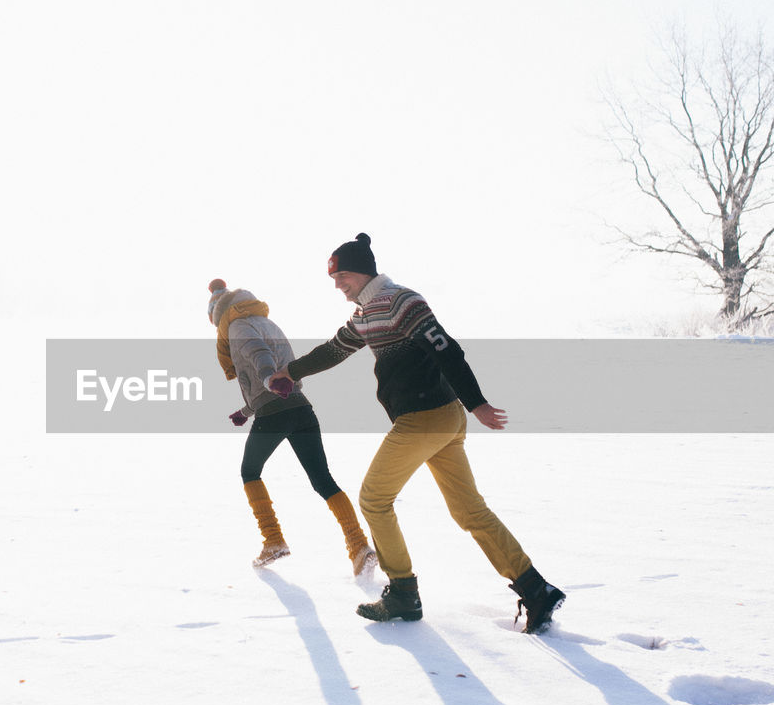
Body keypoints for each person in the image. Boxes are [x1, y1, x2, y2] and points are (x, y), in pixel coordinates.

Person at [268, 234, 565, 633]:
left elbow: (447, 349)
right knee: (469, 510)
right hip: (440, 419)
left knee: (374, 499)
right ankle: (536, 589)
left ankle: (404, 592)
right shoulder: (367, 312)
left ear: (362, 272)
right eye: (334, 279)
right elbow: (335, 350)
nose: (338, 286)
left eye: (342, 277)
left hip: (425, 417)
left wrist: (476, 402)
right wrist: (291, 371)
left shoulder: (399, 301)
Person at [207, 278, 377, 577]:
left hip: (274, 411)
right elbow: (279, 374)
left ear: (217, 314)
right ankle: (359, 546)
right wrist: (247, 411)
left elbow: (259, 355)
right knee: (323, 480)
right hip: (300, 407)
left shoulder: (236, 325)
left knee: (250, 472)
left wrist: (268, 379)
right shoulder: (265, 321)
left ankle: (273, 540)